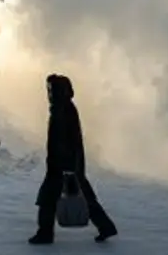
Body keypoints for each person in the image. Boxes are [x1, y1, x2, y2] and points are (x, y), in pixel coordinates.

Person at [28, 73, 118, 245]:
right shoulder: (65, 107)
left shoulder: (62, 109)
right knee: (83, 196)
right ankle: (106, 227)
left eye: (51, 90)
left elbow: (66, 140)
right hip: (67, 164)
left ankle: (45, 234)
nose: (48, 94)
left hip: (62, 165)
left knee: (48, 199)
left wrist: (67, 167)